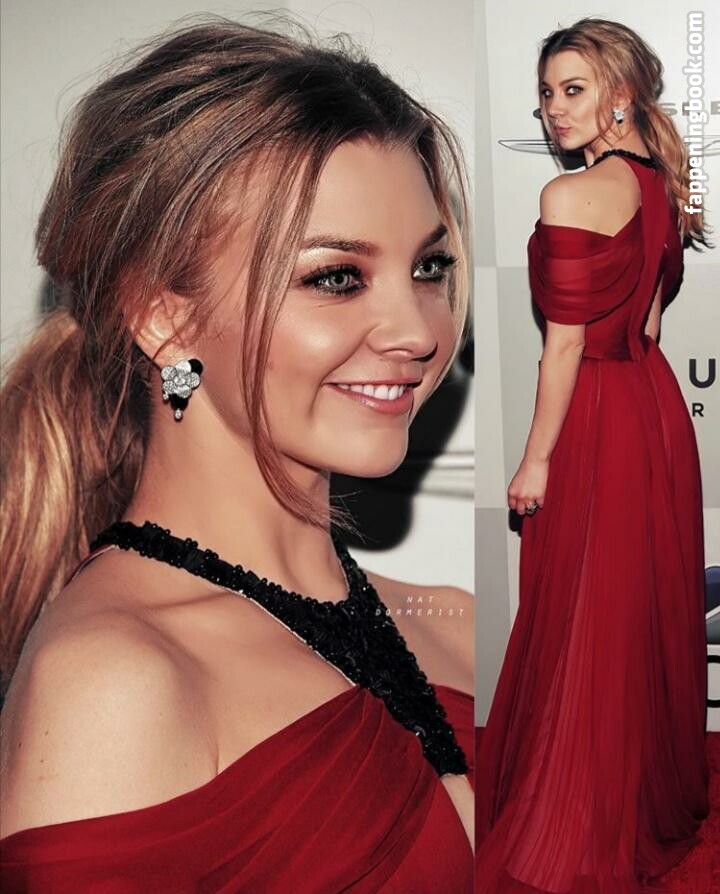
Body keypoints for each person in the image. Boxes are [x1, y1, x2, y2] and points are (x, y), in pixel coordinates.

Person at [0, 16, 475, 891]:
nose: (417, 330)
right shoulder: (116, 685)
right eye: (337, 277)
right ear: (164, 318)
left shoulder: (461, 625)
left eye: (429, 267)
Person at [476, 17, 711, 893]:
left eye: (572, 90)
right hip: (653, 408)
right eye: (545, 94)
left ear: (621, 95)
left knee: (587, 613)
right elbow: (650, 325)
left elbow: (566, 349)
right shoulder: (659, 185)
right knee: (628, 611)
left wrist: (535, 459)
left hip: (599, 414)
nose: (553, 110)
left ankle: (578, 820)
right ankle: (638, 798)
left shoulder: (571, 196)